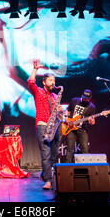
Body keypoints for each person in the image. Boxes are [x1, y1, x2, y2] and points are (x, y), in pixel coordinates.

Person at [28, 59, 62, 190]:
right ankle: (48, 180)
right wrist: (35, 69)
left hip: (55, 126)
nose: (53, 83)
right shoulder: (39, 92)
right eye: (50, 80)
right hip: (42, 125)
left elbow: (58, 112)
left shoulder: (55, 96)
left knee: (54, 154)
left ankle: (45, 174)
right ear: (44, 82)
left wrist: (60, 110)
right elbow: (31, 82)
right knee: (45, 154)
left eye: (54, 80)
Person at [64, 89, 96, 163]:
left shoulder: (91, 107)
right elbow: (67, 110)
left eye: (87, 99)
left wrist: (92, 121)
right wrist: (66, 118)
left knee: (85, 149)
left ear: (90, 98)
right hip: (71, 128)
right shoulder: (75, 100)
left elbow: (92, 122)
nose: (85, 99)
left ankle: (87, 168)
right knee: (69, 149)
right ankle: (67, 169)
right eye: (84, 97)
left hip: (83, 129)